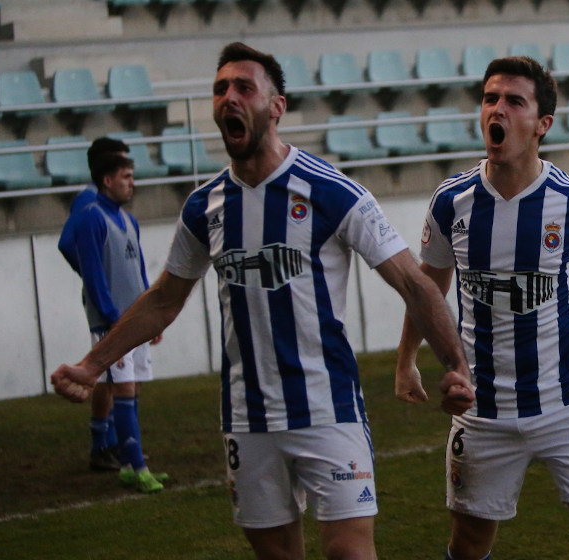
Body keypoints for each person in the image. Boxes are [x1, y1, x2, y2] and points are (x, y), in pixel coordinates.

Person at [51, 41, 475, 559]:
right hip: (246, 418)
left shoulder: (332, 191)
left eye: (244, 88)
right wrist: (93, 364)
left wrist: (455, 364)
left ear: (276, 106)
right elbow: (164, 298)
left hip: (328, 409)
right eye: (220, 89)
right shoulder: (203, 207)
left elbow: (413, 281)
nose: (229, 98)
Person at [395, 56, 569, 560]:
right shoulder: (452, 203)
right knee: (468, 545)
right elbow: (428, 288)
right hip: (483, 408)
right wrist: (406, 360)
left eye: (515, 101)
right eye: (491, 99)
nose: (499, 110)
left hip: (568, 401)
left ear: (542, 124)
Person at [71, 149, 168, 493]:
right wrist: (114, 320)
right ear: (107, 180)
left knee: (134, 386)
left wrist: (150, 317)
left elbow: (139, 272)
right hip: (111, 323)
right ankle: (138, 466)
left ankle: (129, 463)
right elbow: (94, 277)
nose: (132, 184)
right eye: (126, 177)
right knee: (123, 387)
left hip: (134, 320)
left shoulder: (130, 220)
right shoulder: (91, 218)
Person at [57, 136, 133, 472]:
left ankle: (108, 441)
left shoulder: (102, 202)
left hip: (115, 297)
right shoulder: (89, 200)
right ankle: (104, 443)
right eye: (121, 163)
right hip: (105, 300)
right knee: (109, 374)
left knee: (112, 375)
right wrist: (92, 273)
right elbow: (66, 243)